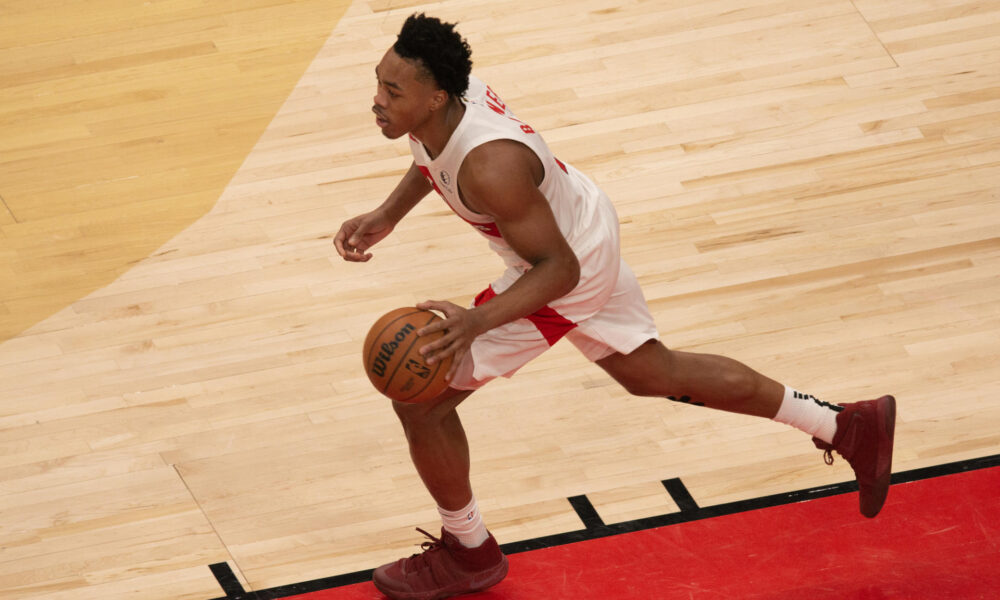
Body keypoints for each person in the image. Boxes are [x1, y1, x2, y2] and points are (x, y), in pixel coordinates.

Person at [334, 13, 896, 600]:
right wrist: (388, 215)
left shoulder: (490, 165)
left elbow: (560, 271)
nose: (377, 100)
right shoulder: (445, 107)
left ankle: (469, 551)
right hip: (578, 221)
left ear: (436, 97)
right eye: (378, 82)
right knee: (653, 373)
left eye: (392, 92)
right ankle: (844, 426)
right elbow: (432, 157)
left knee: (421, 397)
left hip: (562, 266)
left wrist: (473, 322)